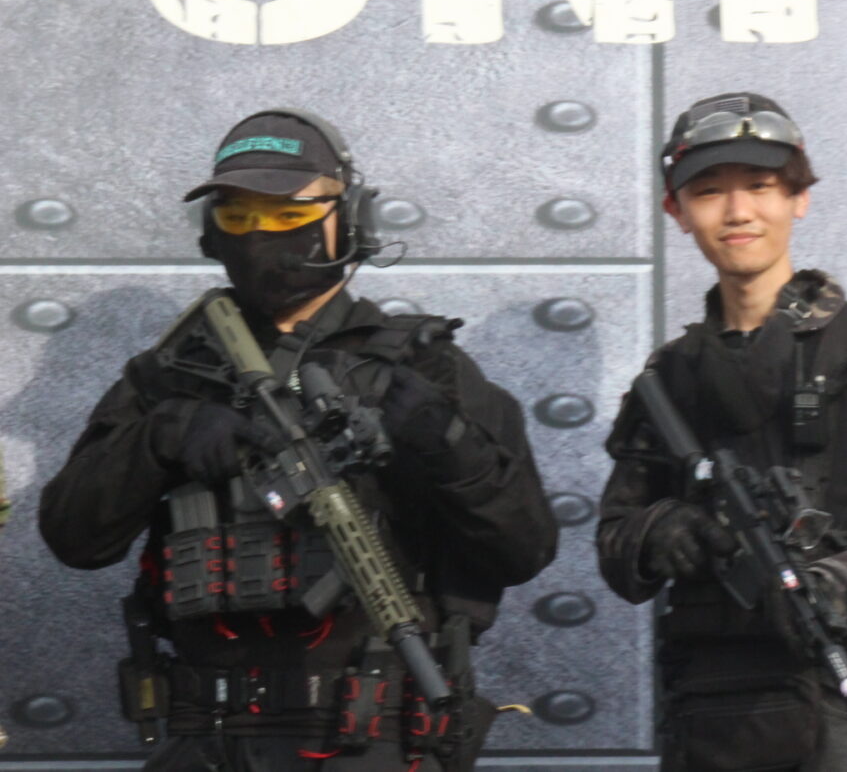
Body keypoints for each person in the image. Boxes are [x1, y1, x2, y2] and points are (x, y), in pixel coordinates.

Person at [39, 108, 559, 771]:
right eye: (238, 216)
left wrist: (446, 441)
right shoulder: (171, 376)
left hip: (368, 736)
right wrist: (160, 437)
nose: (261, 235)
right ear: (211, 231)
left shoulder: (424, 369)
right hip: (208, 737)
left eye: (288, 214)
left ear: (352, 220)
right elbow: (73, 536)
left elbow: (525, 546)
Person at [596, 92, 847, 772]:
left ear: (799, 198)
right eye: (709, 192)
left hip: (840, 684)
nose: (738, 211)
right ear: (676, 211)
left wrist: (816, 589)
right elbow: (616, 545)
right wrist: (672, 531)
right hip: (713, 699)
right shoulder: (670, 374)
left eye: (760, 186)